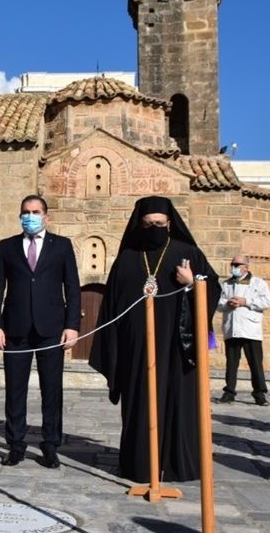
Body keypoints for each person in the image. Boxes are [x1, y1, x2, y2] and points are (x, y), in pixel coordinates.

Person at [89, 196, 220, 483]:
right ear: (139, 224)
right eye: (148, 224)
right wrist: (114, 349)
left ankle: (178, 465)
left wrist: (192, 284)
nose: (154, 229)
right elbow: (111, 306)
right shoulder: (126, 258)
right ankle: (139, 465)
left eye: (160, 224)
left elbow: (213, 290)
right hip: (137, 350)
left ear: (170, 224)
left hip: (177, 347)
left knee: (179, 404)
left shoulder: (188, 253)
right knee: (139, 404)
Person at [0, 195, 81, 469]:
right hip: (15, 329)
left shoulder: (61, 246)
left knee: (51, 390)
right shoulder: (7, 247)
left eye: (36, 211)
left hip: (51, 329)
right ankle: (15, 444)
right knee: (15, 390)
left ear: (46, 217)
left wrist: (72, 325)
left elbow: (73, 288)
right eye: (26, 212)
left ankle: (50, 445)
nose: (30, 216)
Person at [218, 255, 270, 406]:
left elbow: (267, 301)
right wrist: (228, 303)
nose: (233, 267)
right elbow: (218, 303)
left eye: (237, 264)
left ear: (246, 267)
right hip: (232, 328)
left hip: (250, 329)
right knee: (231, 363)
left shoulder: (258, 283)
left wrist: (245, 301)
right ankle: (229, 392)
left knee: (255, 363)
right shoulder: (226, 284)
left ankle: (260, 394)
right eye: (232, 264)